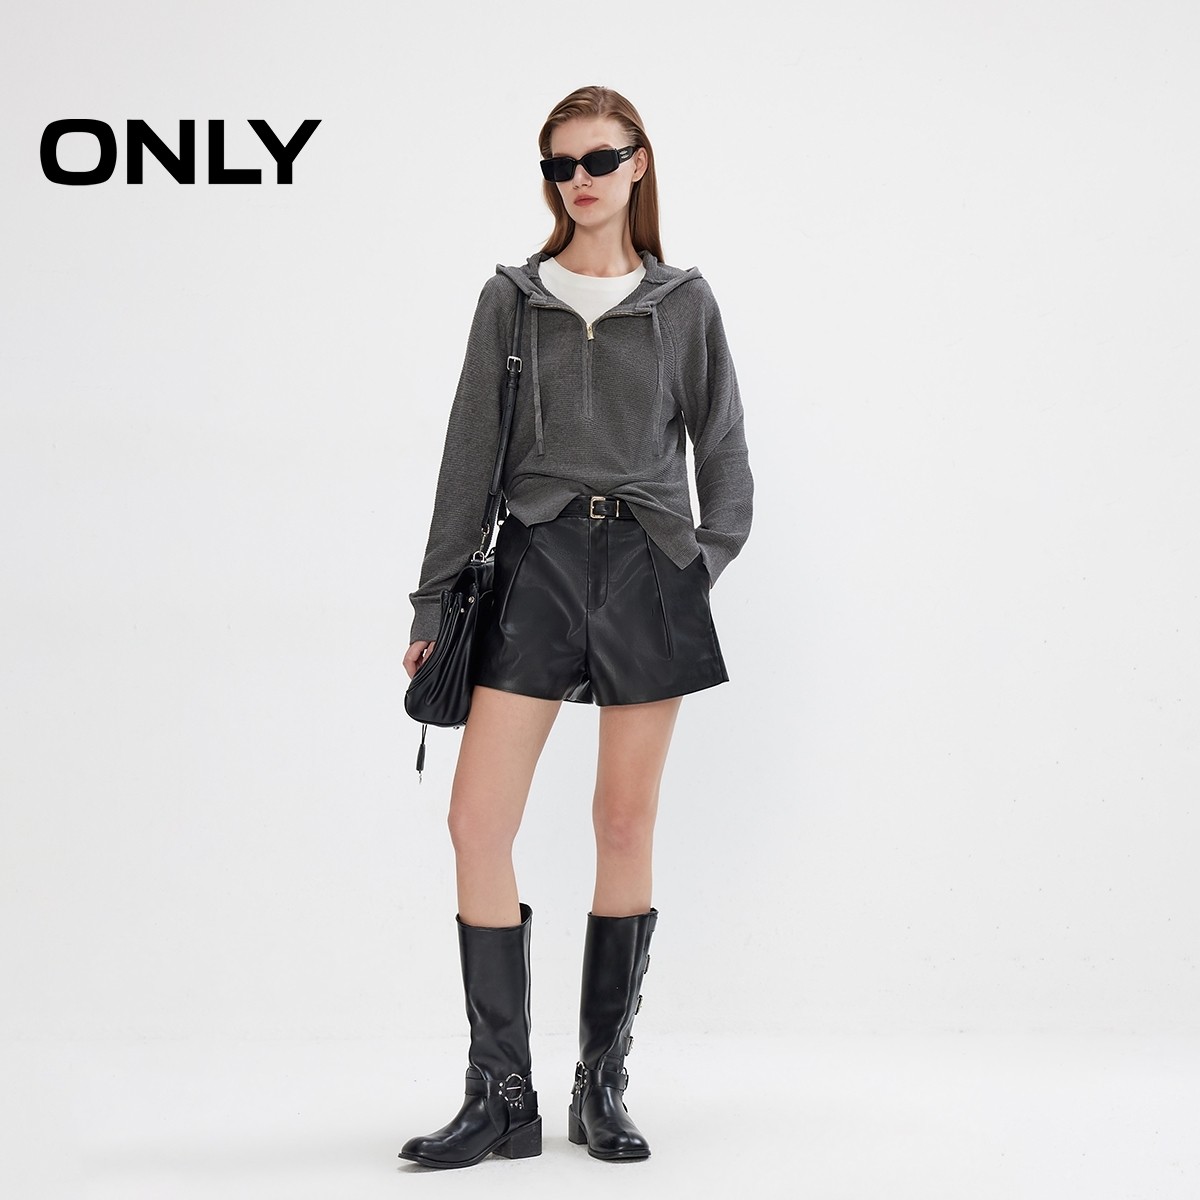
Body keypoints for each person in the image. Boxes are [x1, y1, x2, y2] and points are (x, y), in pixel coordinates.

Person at [398, 84, 754, 1170]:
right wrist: (433, 598)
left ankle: (601, 1086)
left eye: (599, 159)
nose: (580, 181)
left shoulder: (683, 302)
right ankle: (500, 1094)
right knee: (476, 821)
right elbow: (469, 455)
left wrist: (694, 569)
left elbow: (724, 456)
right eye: (560, 165)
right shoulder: (511, 299)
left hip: (648, 570)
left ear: (638, 162)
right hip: (537, 566)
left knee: (622, 822)